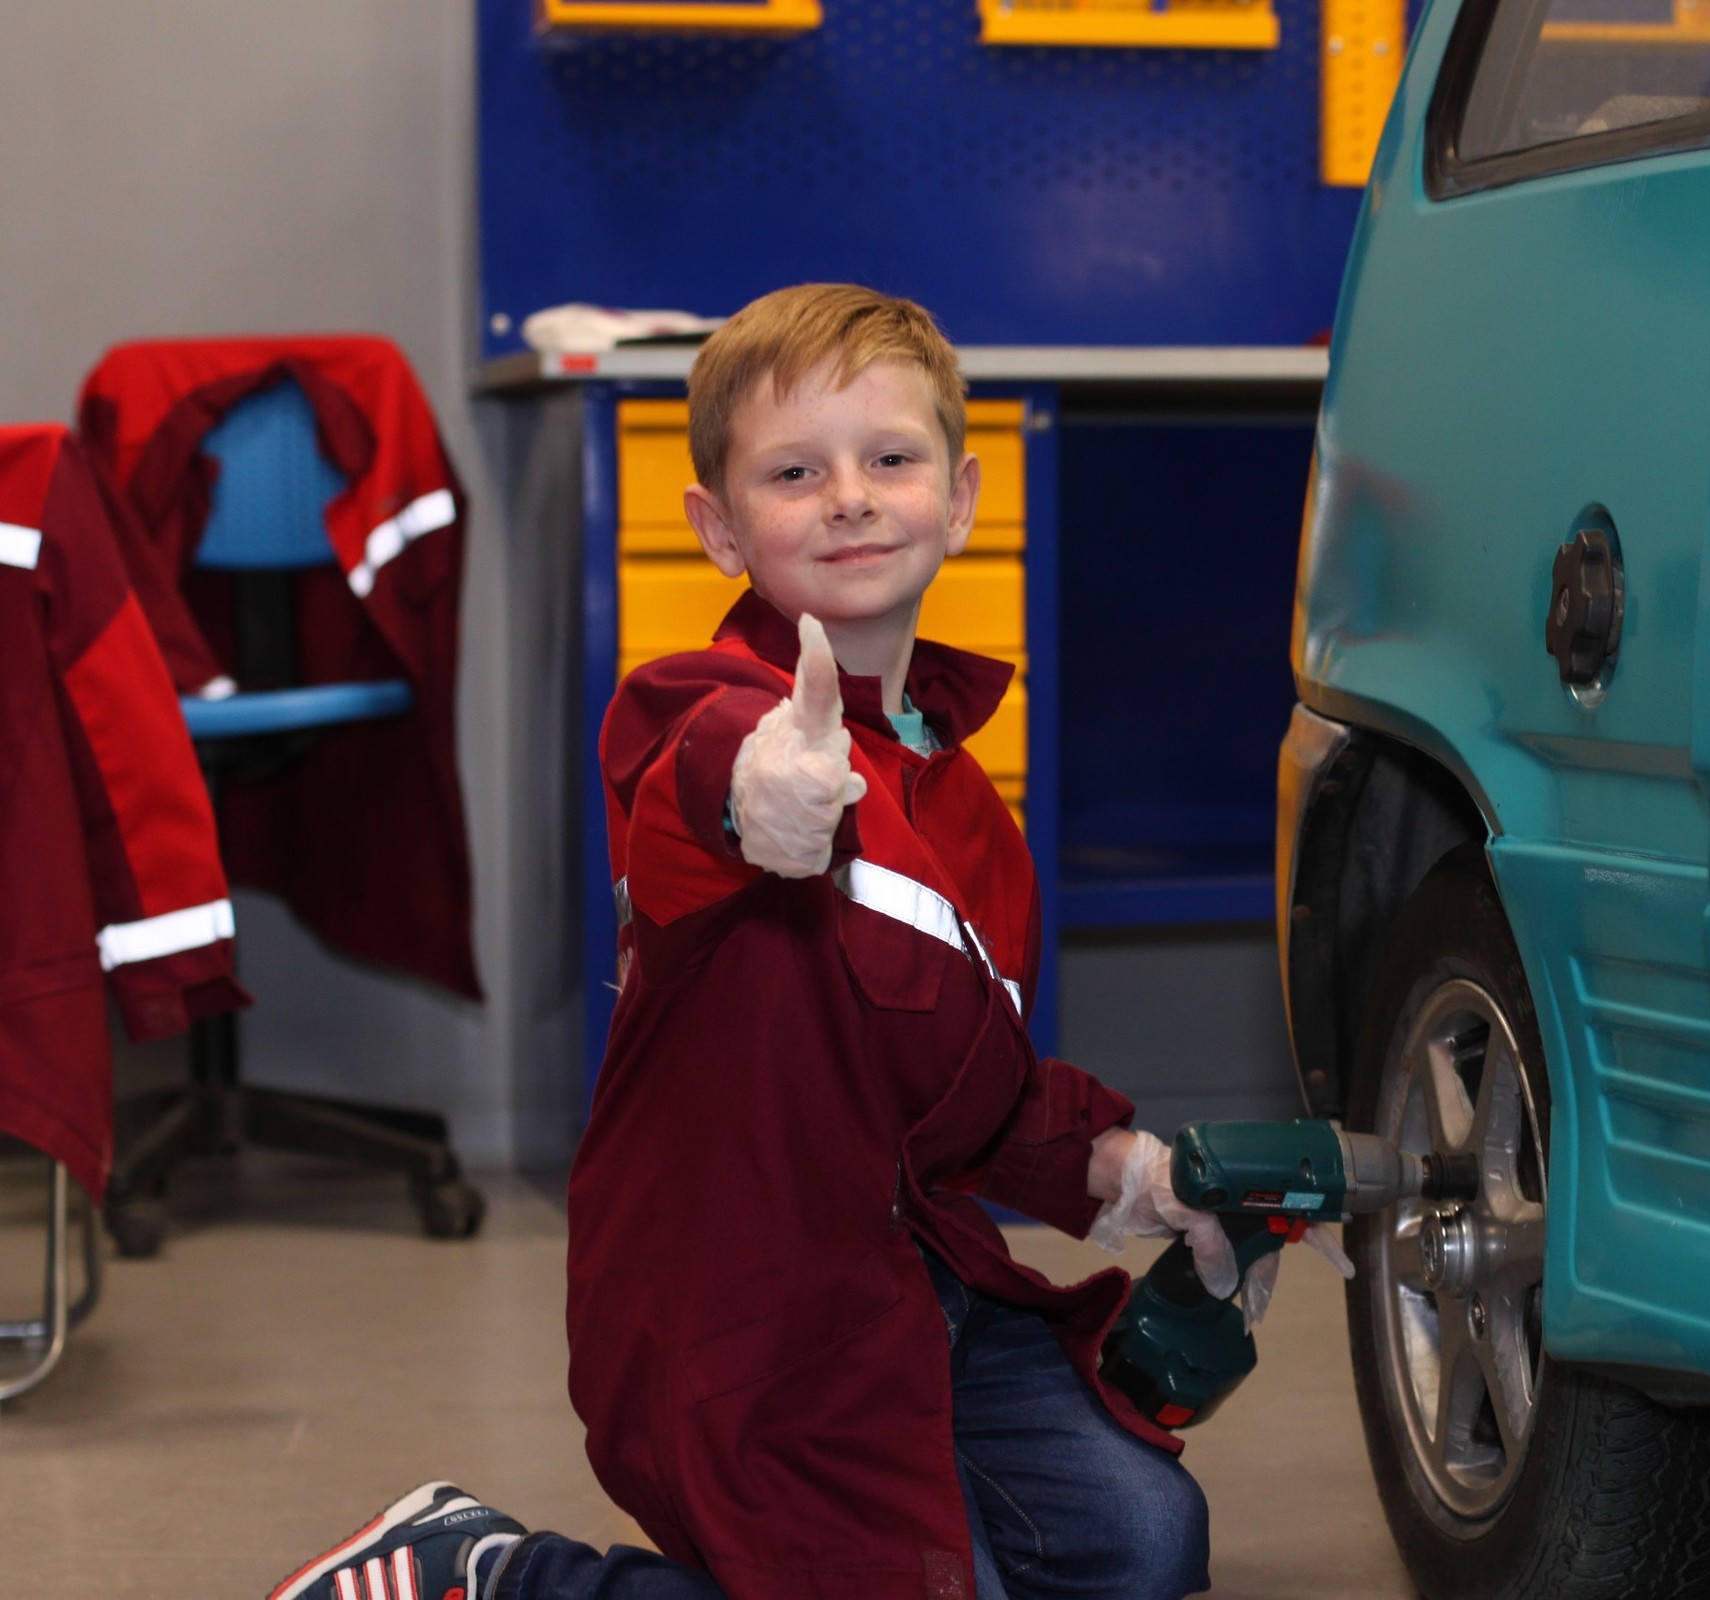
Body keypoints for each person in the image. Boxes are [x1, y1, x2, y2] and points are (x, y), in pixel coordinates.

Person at [269, 286, 1273, 1600]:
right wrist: (764, 790)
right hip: (736, 1314)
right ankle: (483, 1572)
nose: (850, 496)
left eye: (890, 459)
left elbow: (973, 1105)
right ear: (720, 527)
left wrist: (1130, 1176)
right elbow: (689, 776)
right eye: (795, 472)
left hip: (917, 1291)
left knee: (1147, 1548)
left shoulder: (969, 808)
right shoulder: (695, 706)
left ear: (962, 497)